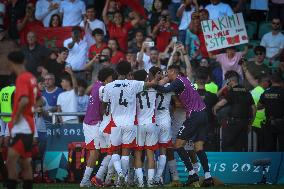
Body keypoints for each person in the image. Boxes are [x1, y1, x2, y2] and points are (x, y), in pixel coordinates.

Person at [154, 65, 213, 187]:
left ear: (173, 71)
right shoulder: (185, 79)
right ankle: (208, 177)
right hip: (203, 114)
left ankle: (192, 174)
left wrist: (151, 84)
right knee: (199, 148)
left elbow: (164, 90)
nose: (167, 75)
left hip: (194, 116)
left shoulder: (177, 81)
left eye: (168, 73)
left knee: (178, 145)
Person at [102, 61, 155, 186]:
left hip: (115, 122)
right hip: (130, 123)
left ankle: (119, 174)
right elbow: (151, 84)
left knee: (115, 151)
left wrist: (105, 113)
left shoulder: (109, 86)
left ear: (117, 71)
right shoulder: (134, 84)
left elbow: (104, 104)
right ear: (129, 71)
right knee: (125, 153)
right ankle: (123, 178)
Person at [6, 50, 40, 189]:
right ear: (24, 61)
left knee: (10, 161)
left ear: (10, 63)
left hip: (23, 126)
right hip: (28, 124)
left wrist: (16, 118)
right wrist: (31, 111)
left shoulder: (21, 78)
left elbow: (24, 100)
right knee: (25, 162)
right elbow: (39, 100)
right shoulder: (31, 77)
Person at [80, 67, 115, 187]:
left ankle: (102, 178)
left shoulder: (96, 84)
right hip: (93, 124)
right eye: (111, 77)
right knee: (95, 153)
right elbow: (102, 107)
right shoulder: (103, 88)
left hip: (89, 122)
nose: (112, 79)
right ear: (106, 78)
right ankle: (85, 180)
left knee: (104, 152)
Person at [213, 71, 256, 152]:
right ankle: (239, 163)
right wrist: (251, 122)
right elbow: (254, 108)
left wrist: (215, 108)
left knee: (226, 145)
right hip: (245, 122)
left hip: (233, 123)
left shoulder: (231, 91)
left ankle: (229, 163)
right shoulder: (247, 92)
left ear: (230, 81)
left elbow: (221, 103)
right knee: (240, 146)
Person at [133, 69, 158, 187]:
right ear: (146, 78)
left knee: (138, 154)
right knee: (150, 155)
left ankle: (141, 183)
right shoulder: (153, 88)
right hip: (151, 124)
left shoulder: (133, 90)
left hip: (139, 125)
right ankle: (151, 182)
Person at [258, 74, 284, 151]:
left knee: (269, 146)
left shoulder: (266, 92)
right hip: (281, 123)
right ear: (281, 82)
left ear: (271, 81)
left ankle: (272, 163)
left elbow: (259, 106)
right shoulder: (282, 92)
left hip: (269, 122)